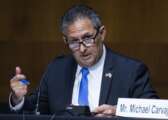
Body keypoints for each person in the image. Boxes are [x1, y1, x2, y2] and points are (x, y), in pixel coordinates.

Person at [9, 4, 159, 117]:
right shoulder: (57, 69)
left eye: (87, 38)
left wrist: (119, 113)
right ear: (65, 40)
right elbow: (36, 111)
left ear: (102, 33)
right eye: (74, 42)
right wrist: (18, 99)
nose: (82, 49)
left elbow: (155, 112)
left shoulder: (131, 71)